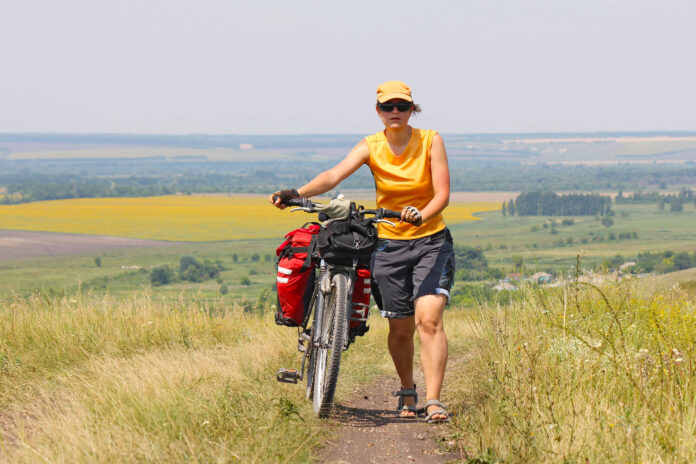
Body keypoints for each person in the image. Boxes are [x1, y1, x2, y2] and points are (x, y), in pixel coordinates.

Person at [269, 80, 454, 423]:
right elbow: (334, 175)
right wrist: (296, 192)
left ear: (413, 109)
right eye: (388, 107)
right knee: (400, 329)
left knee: (428, 320)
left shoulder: (431, 140)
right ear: (379, 111)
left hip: (430, 240)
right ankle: (407, 390)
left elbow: (441, 193)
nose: (395, 112)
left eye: (402, 106)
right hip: (388, 244)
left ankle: (433, 400)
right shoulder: (371, 146)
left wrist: (421, 215)